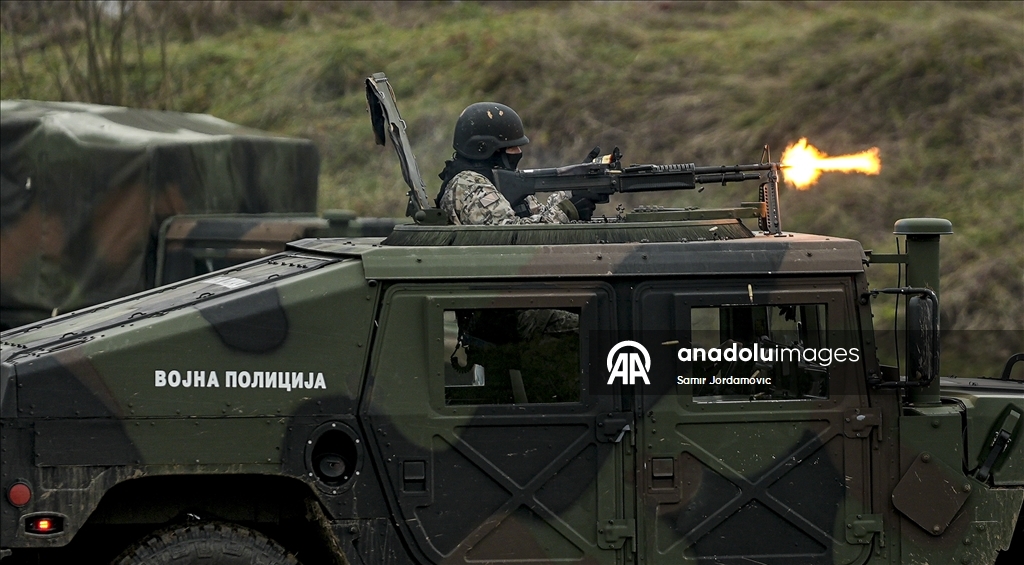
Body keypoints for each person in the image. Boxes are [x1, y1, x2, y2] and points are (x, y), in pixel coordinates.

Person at [436, 102, 594, 225]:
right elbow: (511, 234)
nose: (519, 152)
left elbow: (538, 216)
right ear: (487, 149)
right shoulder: (469, 185)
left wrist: (573, 190)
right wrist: (566, 211)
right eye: (512, 147)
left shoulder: (499, 181)